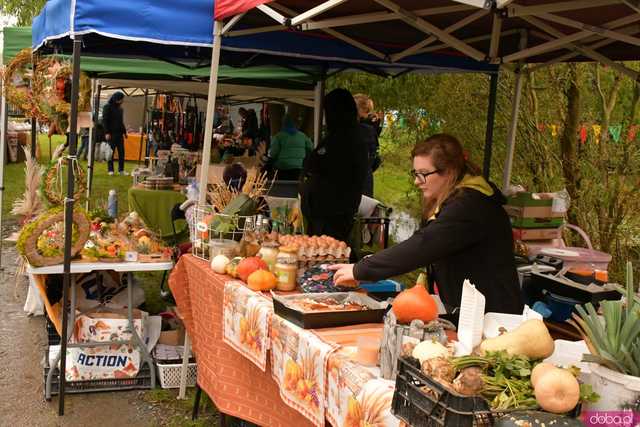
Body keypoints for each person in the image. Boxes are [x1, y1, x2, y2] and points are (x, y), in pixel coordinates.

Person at [330, 134, 523, 316]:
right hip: (472, 309)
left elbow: (423, 245)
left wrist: (361, 269)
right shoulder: (456, 199)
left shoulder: (469, 205)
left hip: (494, 314)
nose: (416, 181)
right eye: (415, 173)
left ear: (449, 172)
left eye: (423, 174)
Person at [300, 88, 369, 243]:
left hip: (332, 215)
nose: (325, 117)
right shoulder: (338, 134)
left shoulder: (348, 138)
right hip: (323, 213)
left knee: (329, 255)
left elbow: (326, 167)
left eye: (327, 111)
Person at [267, 114, 313, 180]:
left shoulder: (278, 136)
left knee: (284, 186)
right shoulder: (303, 136)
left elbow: (273, 152)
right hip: (298, 167)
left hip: (282, 168)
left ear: (283, 124)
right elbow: (310, 148)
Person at [354, 94, 382, 197]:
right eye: (367, 111)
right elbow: (375, 158)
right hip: (364, 180)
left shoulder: (339, 129)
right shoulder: (368, 130)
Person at [102, 92, 128, 175]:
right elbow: (104, 120)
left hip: (119, 134)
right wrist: (107, 132)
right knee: (110, 152)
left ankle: (121, 170)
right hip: (111, 134)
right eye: (122, 99)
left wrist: (124, 132)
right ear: (117, 99)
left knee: (121, 153)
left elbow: (121, 122)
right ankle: (110, 170)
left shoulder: (120, 109)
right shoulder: (107, 107)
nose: (123, 101)